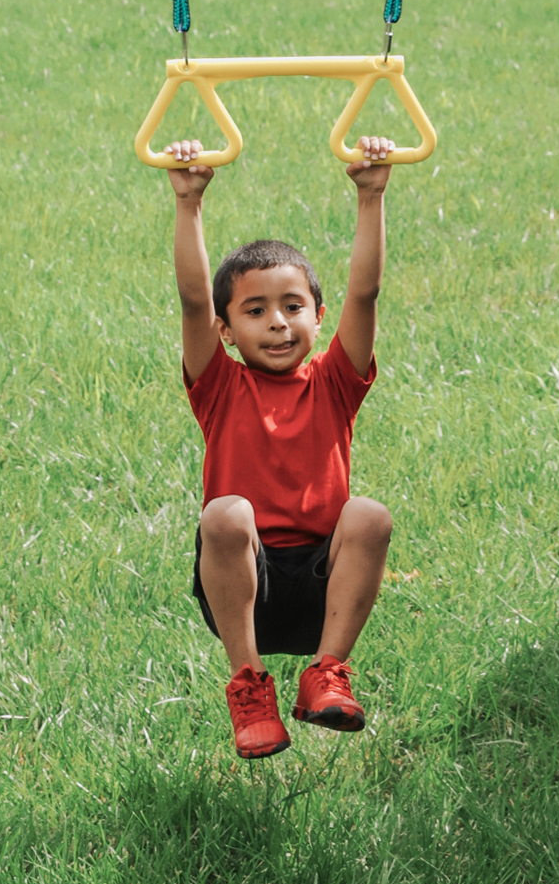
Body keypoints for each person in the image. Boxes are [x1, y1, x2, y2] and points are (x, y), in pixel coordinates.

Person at [160, 133, 398, 760]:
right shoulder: (219, 387)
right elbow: (190, 300)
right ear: (227, 330)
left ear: (319, 317)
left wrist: (371, 195)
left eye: (294, 306)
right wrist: (189, 202)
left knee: (370, 515)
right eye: (256, 310)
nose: (278, 322)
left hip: (325, 586)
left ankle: (327, 671)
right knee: (225, 512)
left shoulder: (335, 382)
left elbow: (366, 295)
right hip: (247, 590)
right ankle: (250, 686)